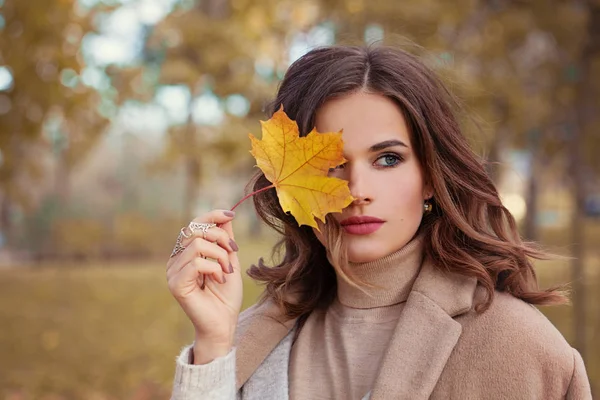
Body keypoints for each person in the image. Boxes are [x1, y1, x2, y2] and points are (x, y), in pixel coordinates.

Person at [165, 45, 593, 400]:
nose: (356, 189)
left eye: (388, 159)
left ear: (429, 178)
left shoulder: (522, 349)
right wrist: (213, 350)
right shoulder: (244, 341)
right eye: (331, 164)